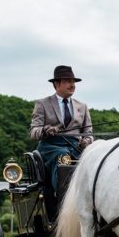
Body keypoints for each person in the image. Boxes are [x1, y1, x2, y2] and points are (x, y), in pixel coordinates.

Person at [29, 65, 93, 221]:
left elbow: (90, 133)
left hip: (76, 147)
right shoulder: (42, 104)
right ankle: (64, 203)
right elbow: (33, 132)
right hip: (51, 147)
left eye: (73, 81)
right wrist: (45, 130)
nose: (72, 85)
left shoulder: (82, 106)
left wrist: (86, 141)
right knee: (62, 157)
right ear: (56, 84)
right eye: (67, 81)